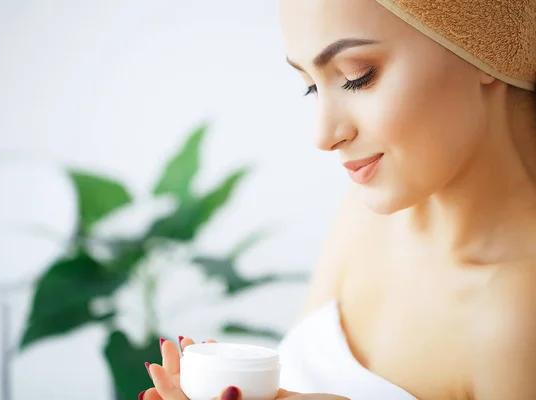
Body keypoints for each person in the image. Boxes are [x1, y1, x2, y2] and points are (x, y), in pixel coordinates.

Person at [141, 0, 536, 399]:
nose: (323, 135)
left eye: (357, 77)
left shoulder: (519, 310)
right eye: (311, 86)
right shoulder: (366, 213)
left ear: (487, 49)